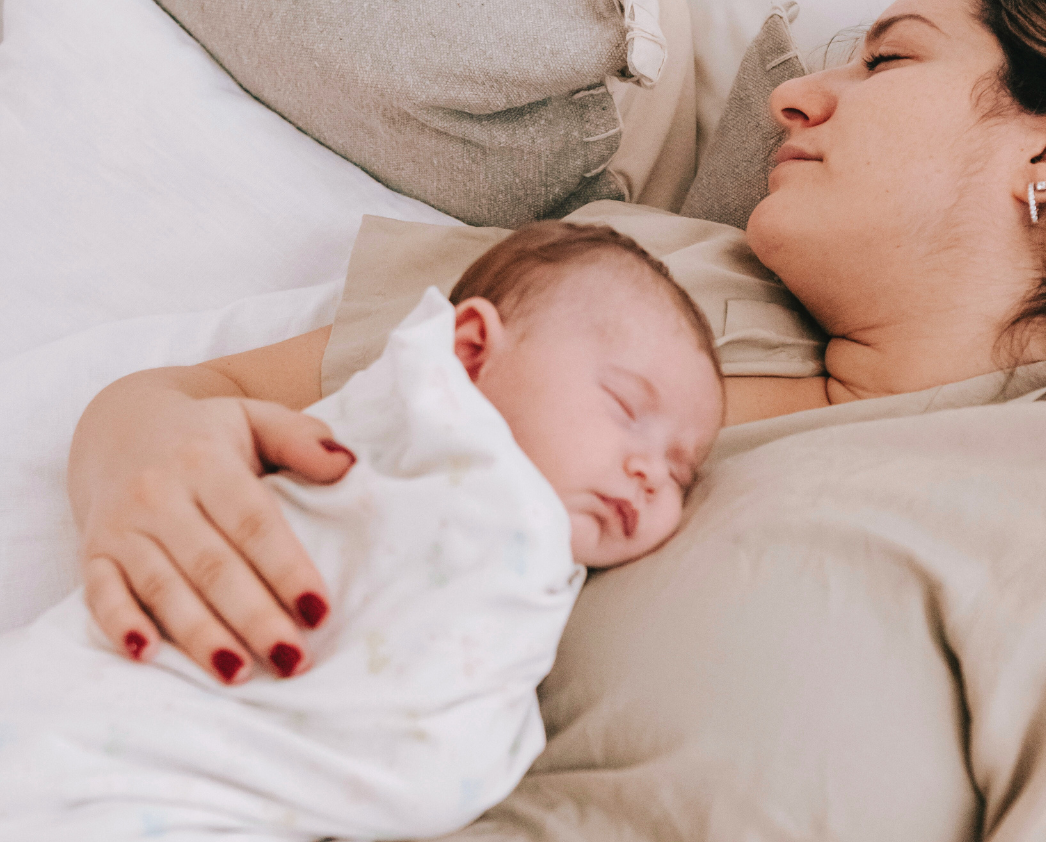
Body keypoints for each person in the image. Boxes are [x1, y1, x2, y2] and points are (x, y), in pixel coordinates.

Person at [59, 0, 1046, 837]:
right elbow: (194, 392)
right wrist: (139, 460)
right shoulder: (642, 284)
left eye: (886, 58)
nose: (797, 96)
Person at [0, 221, 724, 840]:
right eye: (627, 407)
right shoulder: (437, 438)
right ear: (471, 351)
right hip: (84, 746)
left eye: (682, 471)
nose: (650, 473)